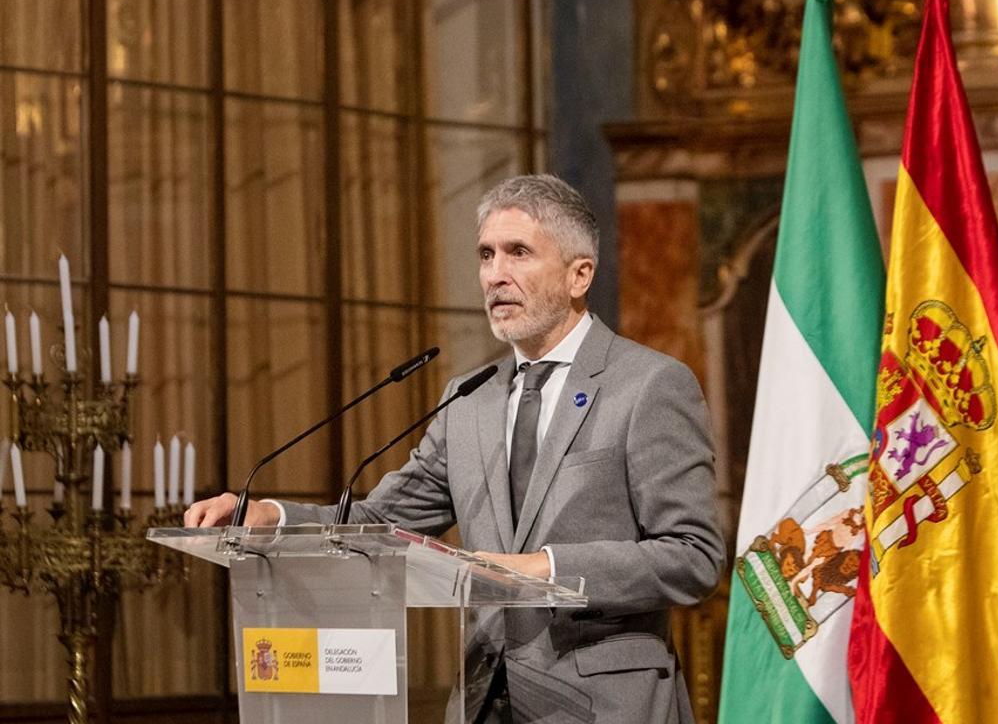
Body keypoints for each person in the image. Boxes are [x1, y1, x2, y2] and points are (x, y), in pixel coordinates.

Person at [185, 174, 725, 723]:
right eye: (486, 255)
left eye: (518, 253)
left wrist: (546, 567)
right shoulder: (469, 399)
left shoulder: (649, 385)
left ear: (578, 274)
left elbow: (693, 556)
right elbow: (378, 520)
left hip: (606, 706)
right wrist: (269, 517)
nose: (495, 275)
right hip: (483, 704)